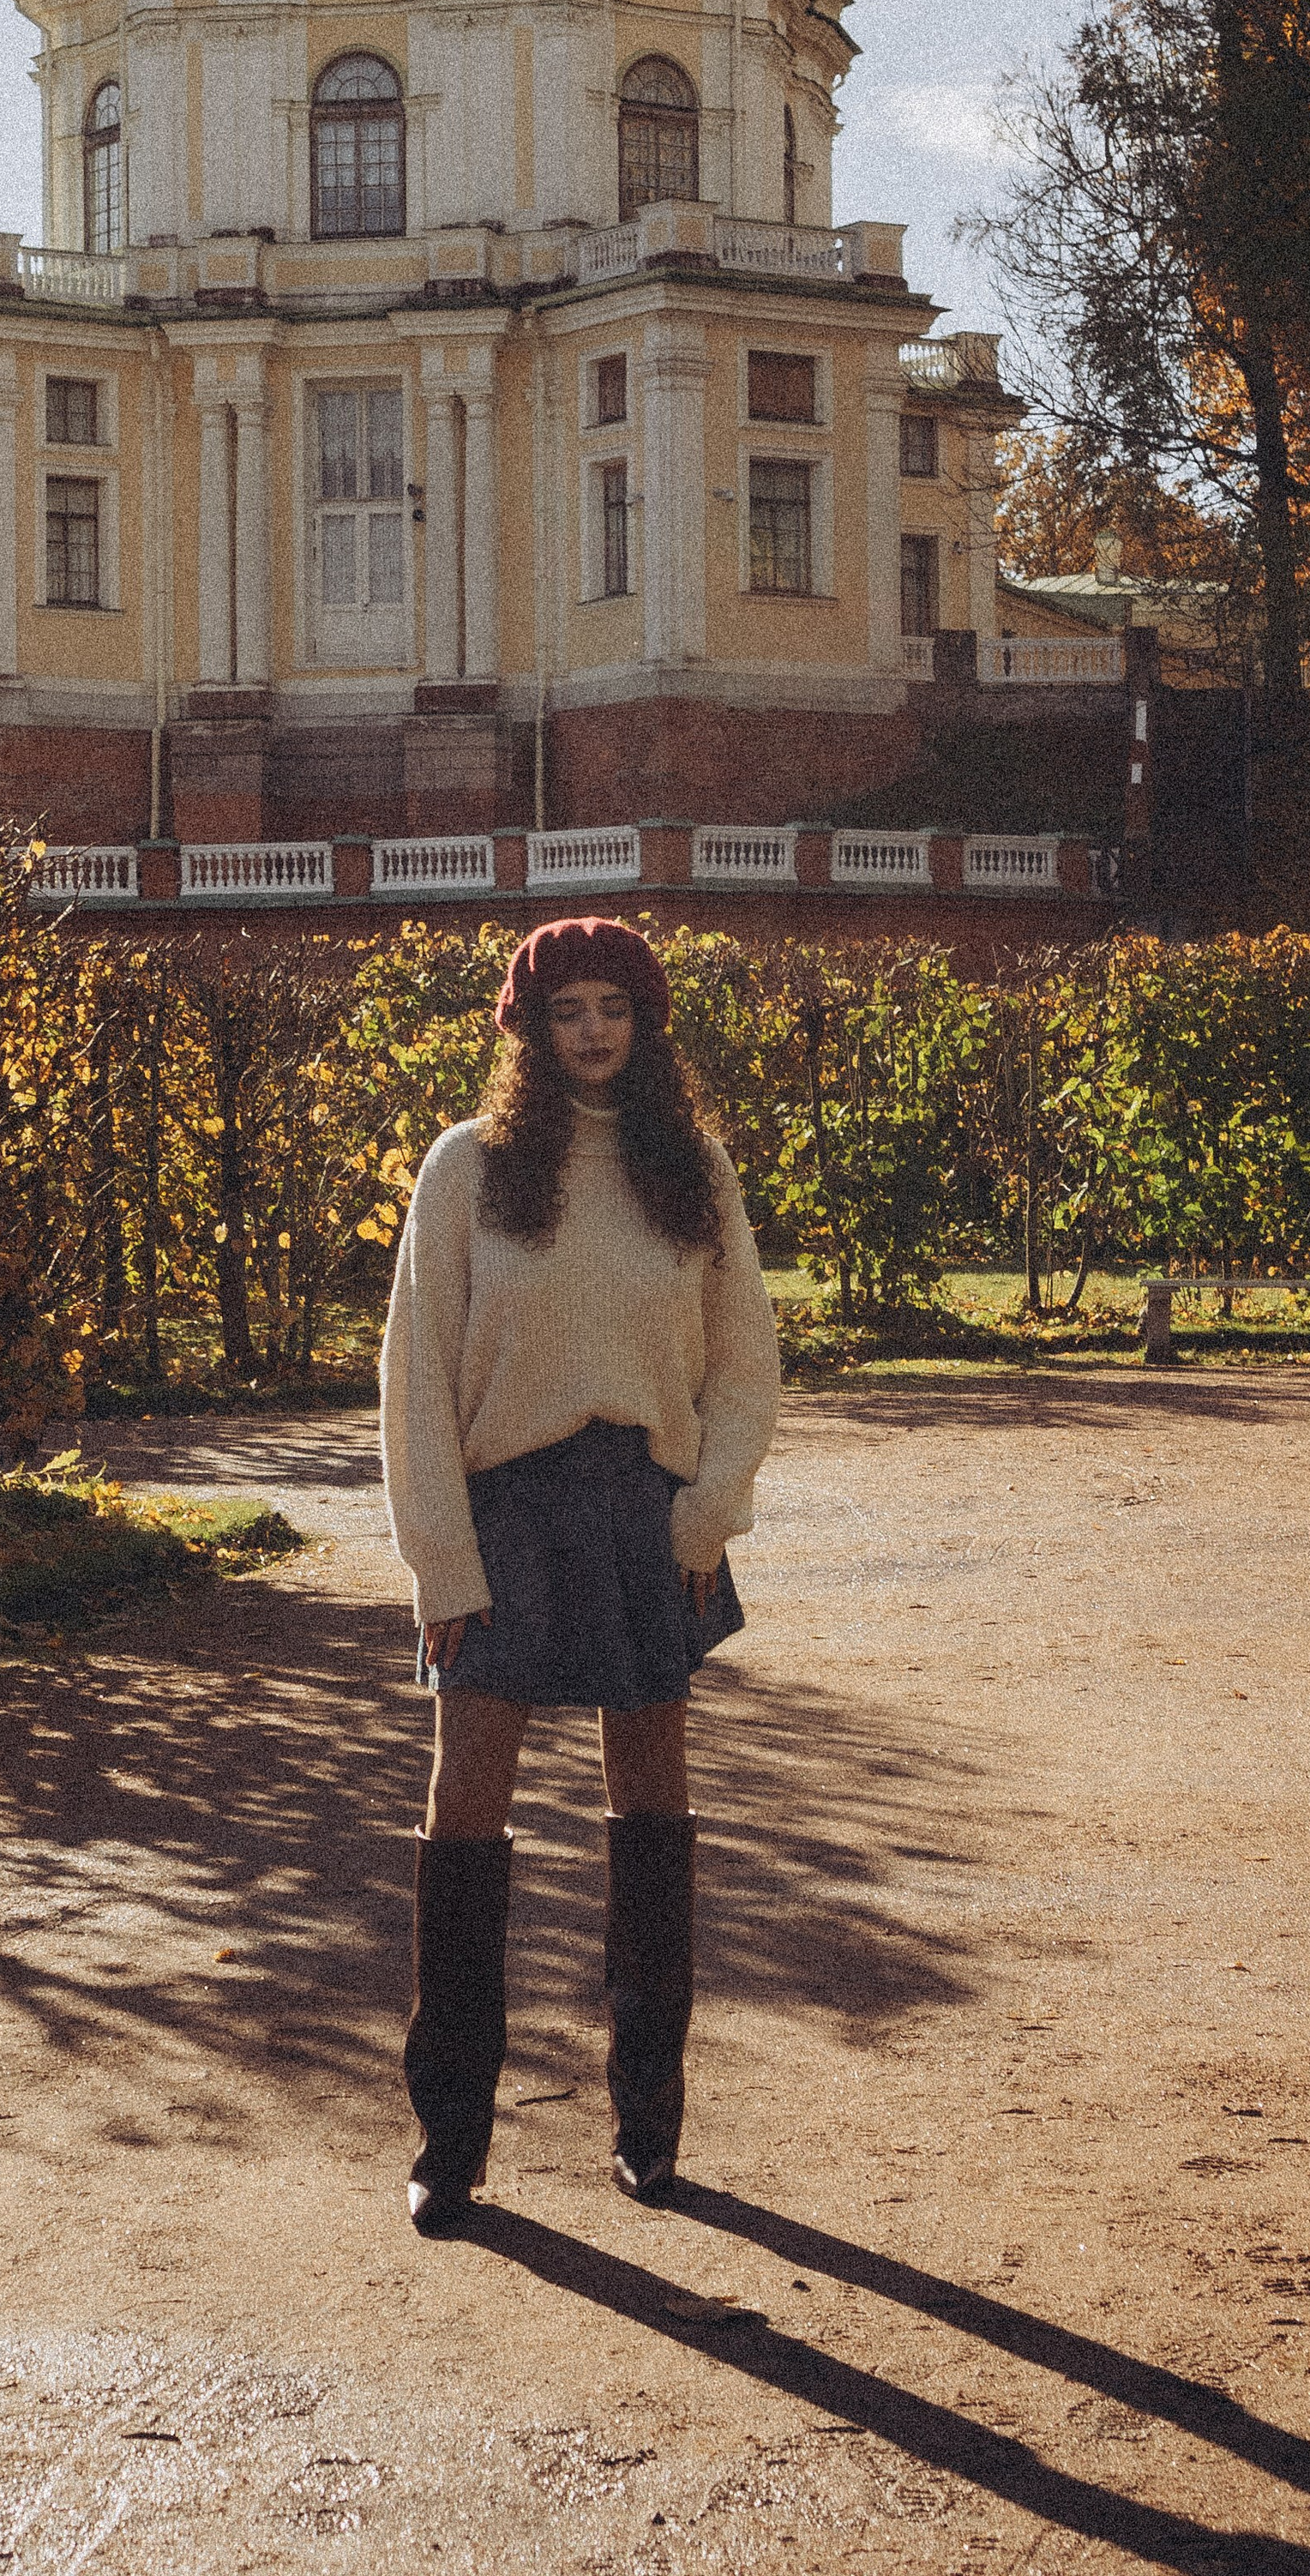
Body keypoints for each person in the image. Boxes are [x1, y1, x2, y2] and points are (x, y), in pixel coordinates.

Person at [379, 915, 782, 2235]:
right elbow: (416, 1379)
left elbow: (745, 1363)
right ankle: (451, 2143)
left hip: (644, 1521)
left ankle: (649, 2127)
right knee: (465, 1814)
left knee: (650, 1814)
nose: (594, 1031)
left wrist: (703, 1519)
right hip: (501, 1517)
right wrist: (442, 1563)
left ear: (647, 1026)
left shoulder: (695, 1171)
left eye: (616, 1007)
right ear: (528, 1029)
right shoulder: (467, 1171)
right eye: (569, 1011)